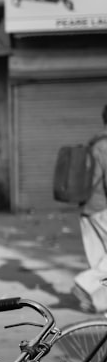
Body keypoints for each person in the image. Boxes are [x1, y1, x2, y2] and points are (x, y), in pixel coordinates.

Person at [74, 105, 107, 312]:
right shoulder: (105, 146)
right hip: (102, 207)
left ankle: (95, 303)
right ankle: (84, 284)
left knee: (100, 260)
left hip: (88, 206)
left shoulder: (95, 143)